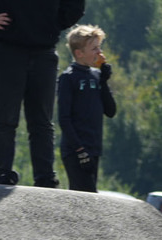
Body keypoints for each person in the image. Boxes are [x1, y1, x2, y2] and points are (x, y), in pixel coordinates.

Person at [0, 0, 84, 187]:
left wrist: (52, 24)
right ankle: (4, 173)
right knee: (5, 116)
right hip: (4, 47)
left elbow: (75, 6)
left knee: (42, 121)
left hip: (44, 50)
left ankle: (45, 177)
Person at [56, 24, 116, 193]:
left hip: (94, 147)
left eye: (99, 47)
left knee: (88, 196)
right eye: (94, 48)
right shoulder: (69, 78)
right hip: (76, 150)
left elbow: (110, 111)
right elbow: (64, 119)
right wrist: (80, 150)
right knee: (84, 196)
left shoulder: (96, 76)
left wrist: (104, 81)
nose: (99, 52)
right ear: (79, 53)